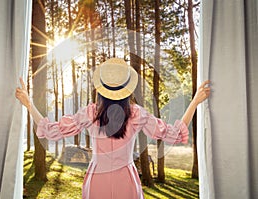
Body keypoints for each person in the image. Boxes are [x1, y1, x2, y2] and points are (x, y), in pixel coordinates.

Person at [15, 58, 210, 199]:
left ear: (100, 89)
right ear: (127, 90)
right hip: (126, 181)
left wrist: (29, 103)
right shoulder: (136, 114)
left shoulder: (90, 113)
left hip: (97, 180)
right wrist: (194, 102)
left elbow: (49, 131)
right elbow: (174, 135)